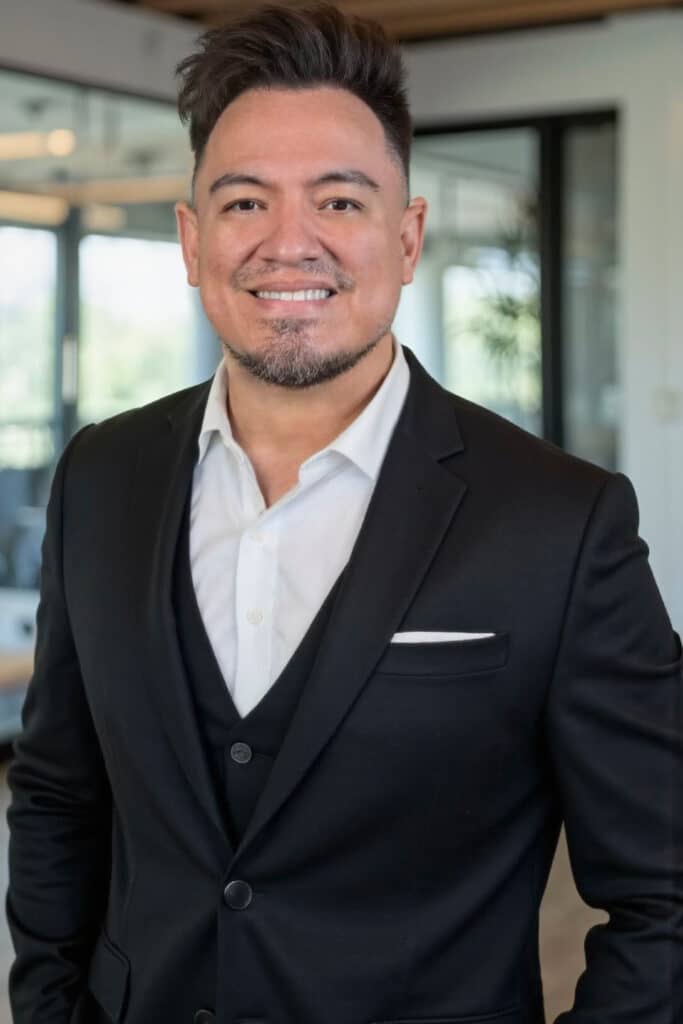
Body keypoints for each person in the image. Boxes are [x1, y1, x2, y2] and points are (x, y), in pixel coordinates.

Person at [6, 4, 682, 1023]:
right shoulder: (101, 474)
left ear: (405, 238)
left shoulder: (559, 518)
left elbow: (662, 892)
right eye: (242, 204)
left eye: (337, 200)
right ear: (191, 241)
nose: (289, 244)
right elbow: (59, 793)